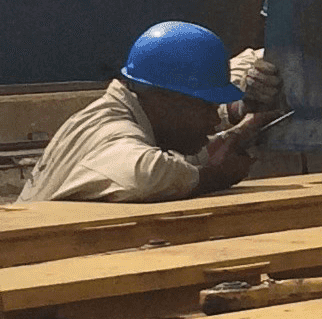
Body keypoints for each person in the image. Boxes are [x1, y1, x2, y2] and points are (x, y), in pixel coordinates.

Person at [17, 26, 283, 206]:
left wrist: (239, 122)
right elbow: (144, 174)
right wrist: (216, 177)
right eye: (207, 108)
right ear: (165, 99)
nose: (214, 120)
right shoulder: (112, 130)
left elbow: (250, 60)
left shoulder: (133, 110)